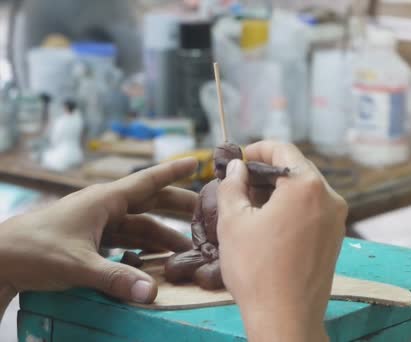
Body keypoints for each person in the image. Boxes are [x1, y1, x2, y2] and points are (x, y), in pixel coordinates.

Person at [0, 141, 348, 342]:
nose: (220, 168)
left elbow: (258, 227)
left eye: (227, 162)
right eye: (217, 163)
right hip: (209, 251)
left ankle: (225, 269)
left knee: (213, 275)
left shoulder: (249, 193)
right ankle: (221, 268)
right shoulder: (210, 191)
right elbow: (197, 223)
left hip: (238, 252)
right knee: (174, 265)